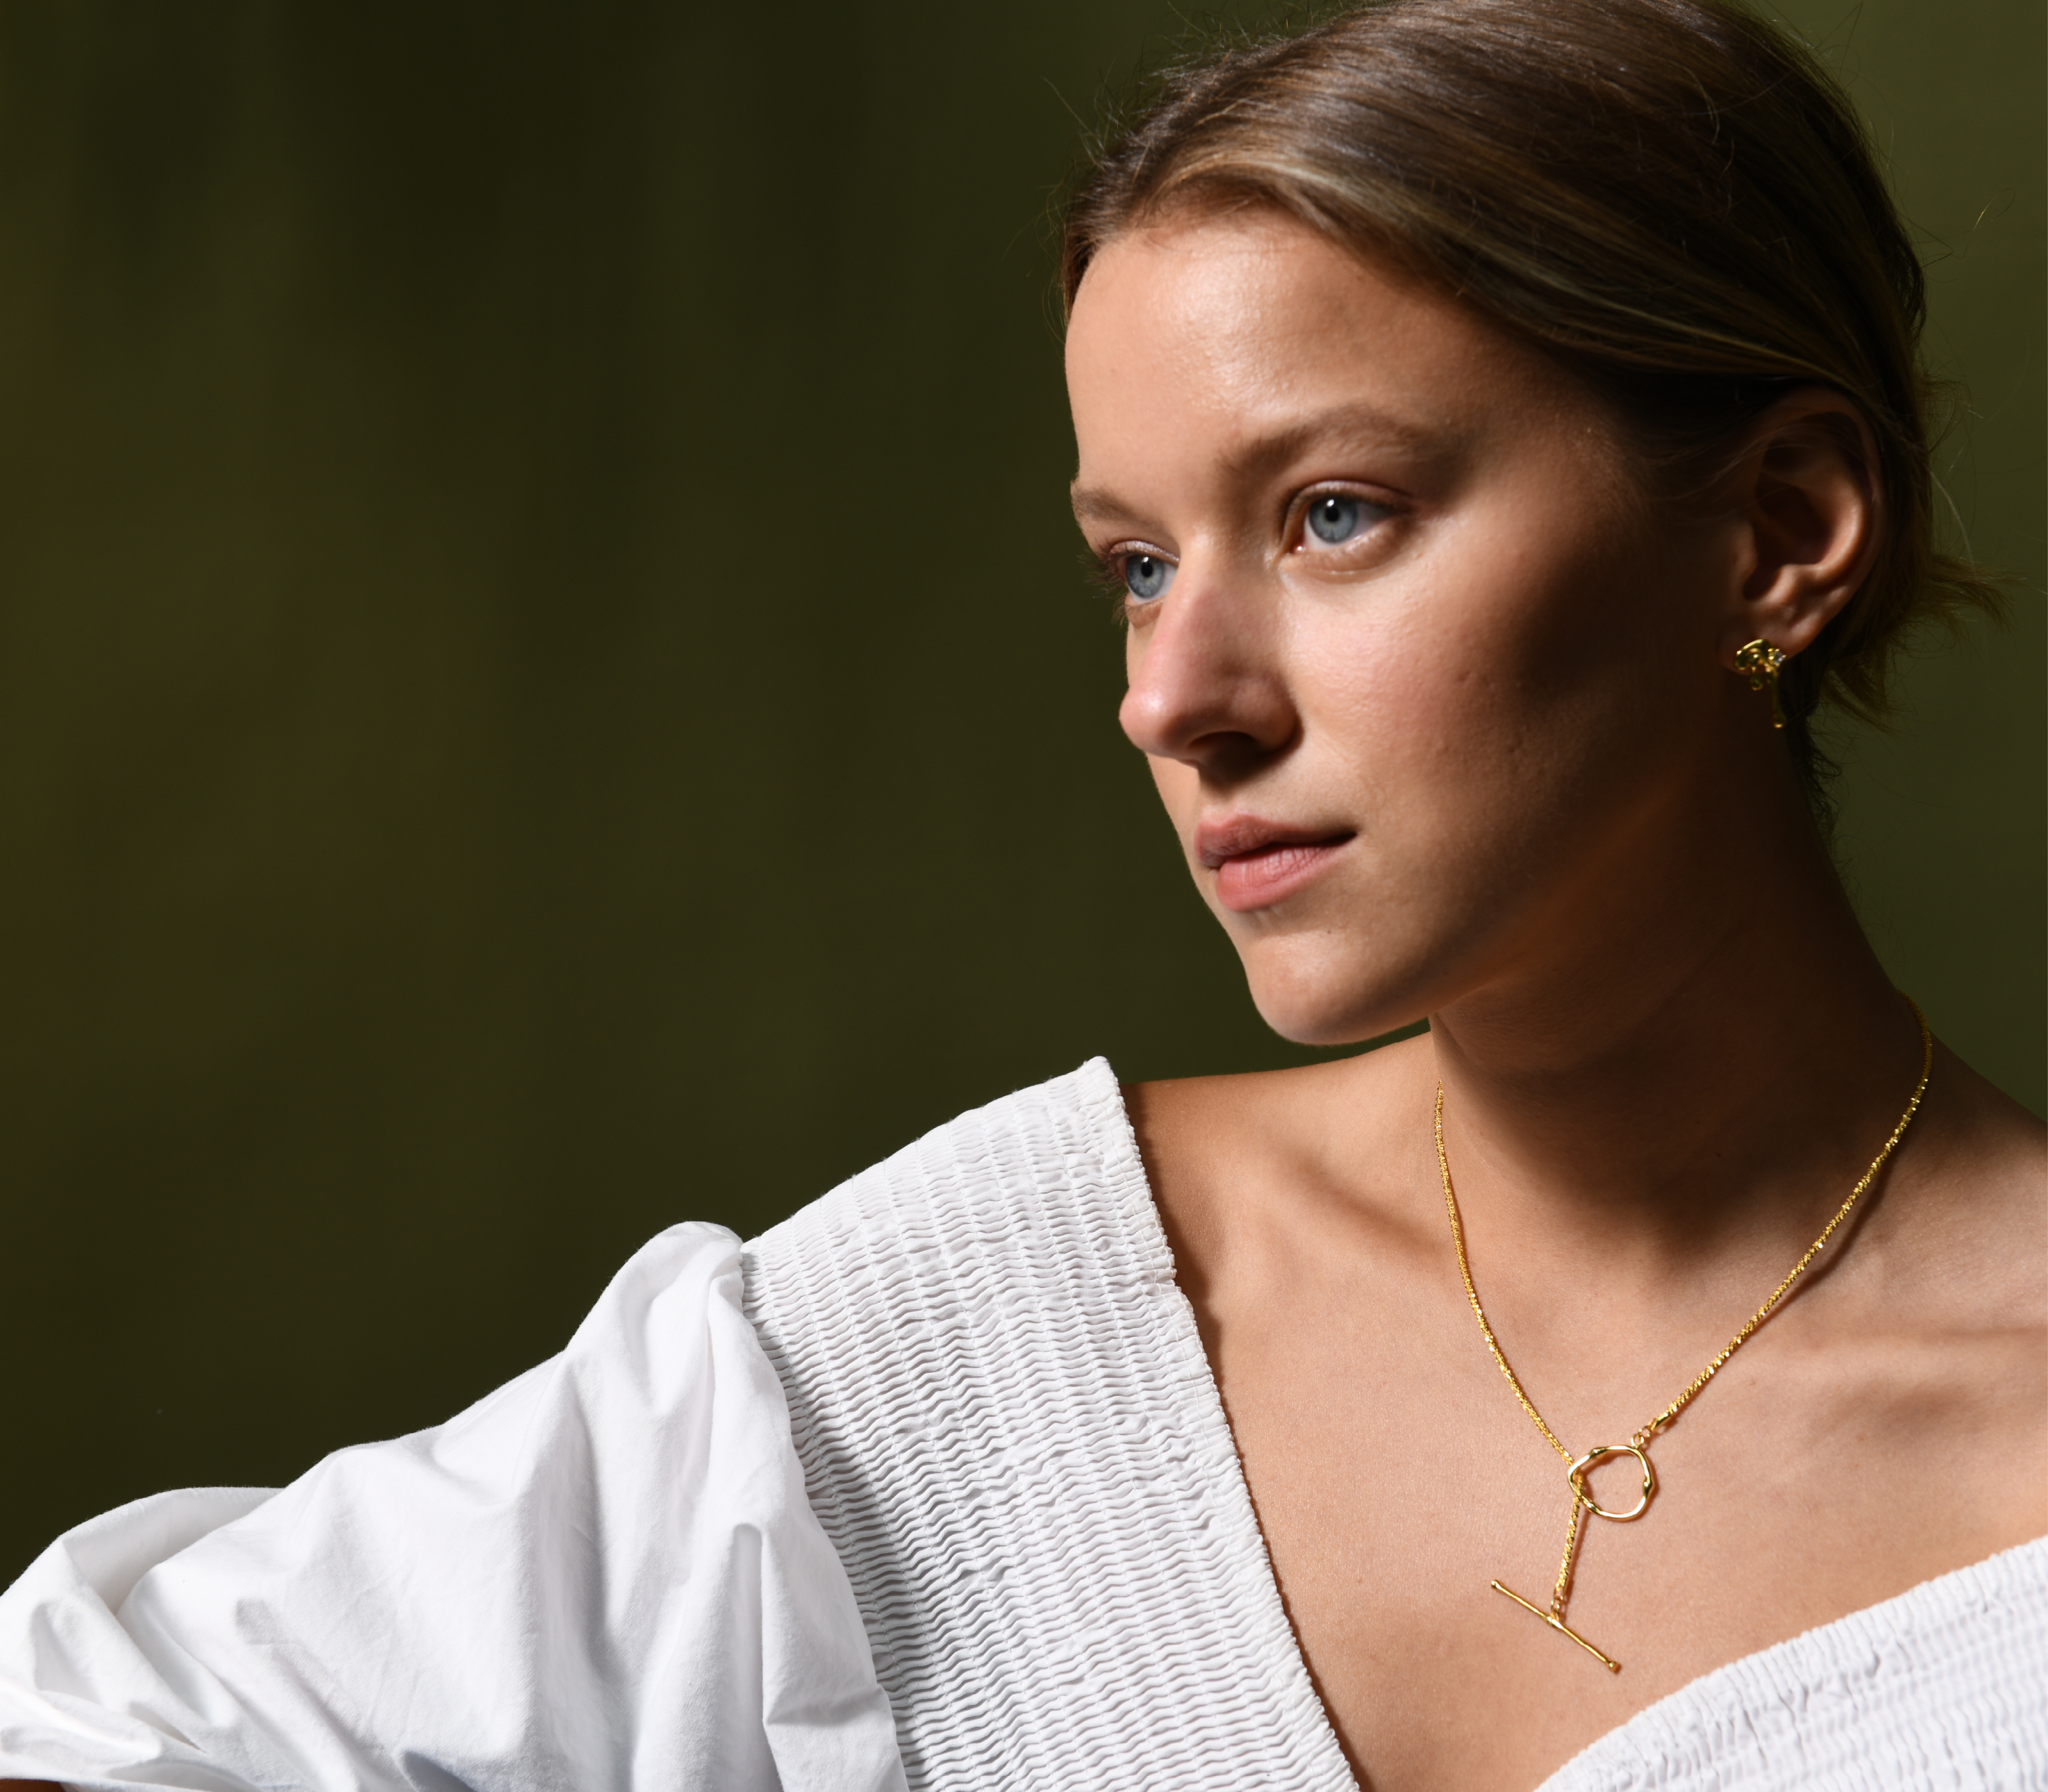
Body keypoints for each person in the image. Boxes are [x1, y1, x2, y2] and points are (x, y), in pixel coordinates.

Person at [4, 0, 2046, 1787]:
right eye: (1136, 563)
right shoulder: (990, 1328)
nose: (1174, 696)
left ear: (1782, 528)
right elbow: (99, 1712)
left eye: (1332, 513)